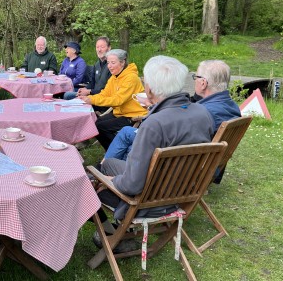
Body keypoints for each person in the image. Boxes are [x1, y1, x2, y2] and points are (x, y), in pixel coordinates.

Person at [92, 56, 214, 248]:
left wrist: (109, 181)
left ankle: (115, 234)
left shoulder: (154, 124)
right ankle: (118, 229)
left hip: (150, 202)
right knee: (108, 165)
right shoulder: (203, 113)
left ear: (148, 89)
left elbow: (132, 185)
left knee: (98, 175)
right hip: (182, 192)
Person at [104, 59, 241, 161]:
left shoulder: (202, 113)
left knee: (127, 135)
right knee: (128, 134)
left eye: (196, 77)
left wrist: (153, 107)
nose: (195, 80)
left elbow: (170, 132)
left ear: (203, 83)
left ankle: (106, 170)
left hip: (182, 162)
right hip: (208, 161)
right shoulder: (231, 106)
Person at [78, 49, 148, 150]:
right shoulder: (114, 78)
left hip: (133, 114)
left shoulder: (131, 78)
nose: (109, 66)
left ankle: (116, 151)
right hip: (120, 112)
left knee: (100, 127)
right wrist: (89, 98)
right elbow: (104, 94)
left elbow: (118, 100)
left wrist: (92, 100)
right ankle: (114, 150)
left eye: (113, 63)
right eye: (108, 62)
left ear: (122, 62)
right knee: (96, 124)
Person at [64, 36, 112, 103]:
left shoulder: (112, 66)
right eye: (97, 47)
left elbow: (109, 91)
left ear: (109, 48)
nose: (99, 50)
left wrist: (89, 91)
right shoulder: (97, 64)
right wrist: (84, 89)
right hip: (92, 94)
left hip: (101, 98)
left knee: (68, 96)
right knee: (67, 95)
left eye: (102, 47)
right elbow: (92, 83)